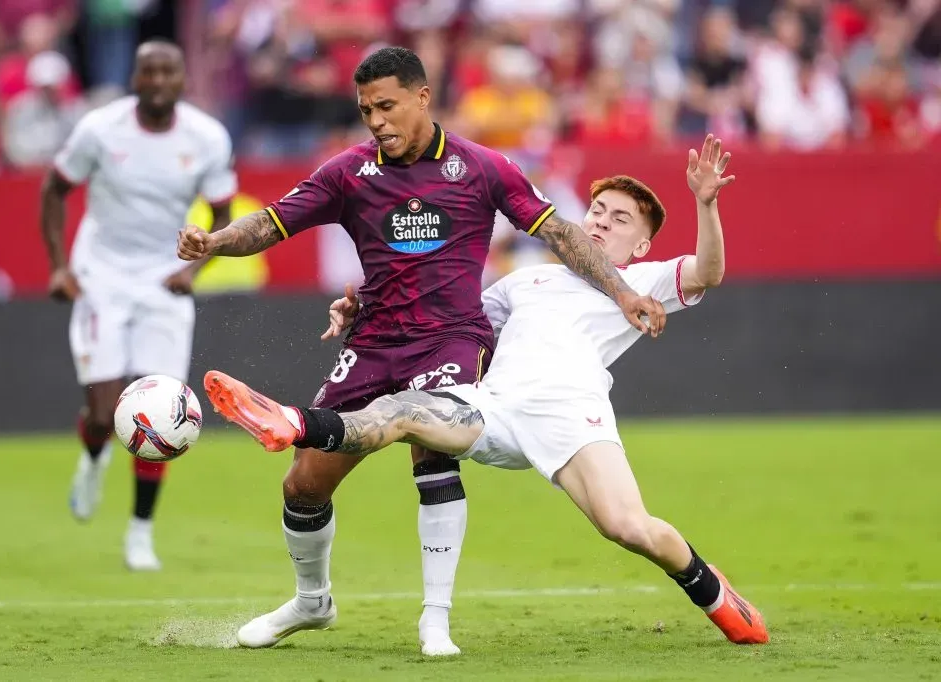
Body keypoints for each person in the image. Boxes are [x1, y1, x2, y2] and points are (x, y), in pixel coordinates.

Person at [175, 46, 666, 655]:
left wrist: (621, 291)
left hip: (451, 339)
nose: (376, 120)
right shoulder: (348, 172)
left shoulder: (483, 167)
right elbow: (271, 223)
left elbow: (560, 233)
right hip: (373, 343)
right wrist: (214, 241)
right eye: (365, 110)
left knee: (430, 448)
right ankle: (311, 601)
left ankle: (435, 619)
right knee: (303, 485)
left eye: (385, 106)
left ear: (421, 99)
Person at [204, 135, 769, 647]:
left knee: (630, 529)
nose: (601, 222)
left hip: (573, 422)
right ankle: (295, 423)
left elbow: (710, 272)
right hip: (493, 412)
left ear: (642, 245)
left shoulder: (641, 281)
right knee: (403, 411)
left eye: (619, 220)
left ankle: (713, 592)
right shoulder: (524, 281)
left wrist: (706, 203)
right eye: (597, 210)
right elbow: (450, 324)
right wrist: (359, 308)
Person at [40, 41, 237, 571]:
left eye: (167, 70)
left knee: (161, 414)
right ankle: (92, 456)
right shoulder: (100, 129)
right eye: (147, 70)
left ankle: (140, 533)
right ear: (134, 76)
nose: (156, 79)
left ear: (180, 79)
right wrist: (60, 266)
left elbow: (224, 215)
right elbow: (54, 190)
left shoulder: (207, 137)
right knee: (105, 414)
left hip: (163, 282)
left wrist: (193, 269)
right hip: (100, 274)